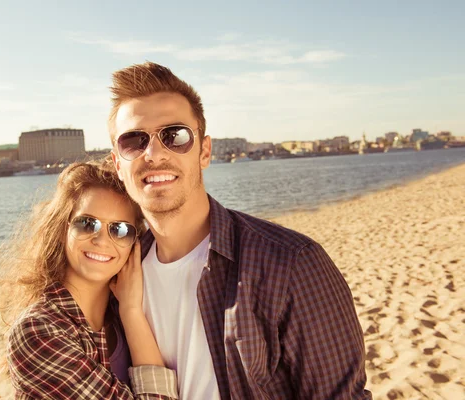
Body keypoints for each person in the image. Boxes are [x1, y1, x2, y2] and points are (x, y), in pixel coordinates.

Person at [109, 62, 373, 399]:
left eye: (175, 136)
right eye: (134, 141)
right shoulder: (116, 273)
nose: (155, 153)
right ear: (118, 163)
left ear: (204, 151)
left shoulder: (290, 264)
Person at [0, 160, 178, 399]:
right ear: (62, 229)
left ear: (134, 243)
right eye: (87, 224)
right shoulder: (38, 331)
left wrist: (129, 311)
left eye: (120, 229)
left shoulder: (124, 314)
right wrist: (132, 313)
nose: (101, 240)